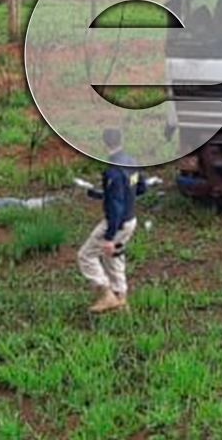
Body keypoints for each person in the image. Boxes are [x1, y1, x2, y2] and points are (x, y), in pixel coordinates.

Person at [78, 128, 145, 313]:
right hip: (131, 220)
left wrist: (109, 236)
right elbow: (141, 188)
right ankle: (121, 300)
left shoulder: (113, 171)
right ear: (121, 140)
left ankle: (106, 294)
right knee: (114, 257)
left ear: (104, 144)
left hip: (117, 222)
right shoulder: (132, 161)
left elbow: (115, 205)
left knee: (85, 256)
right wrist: (102, 194)